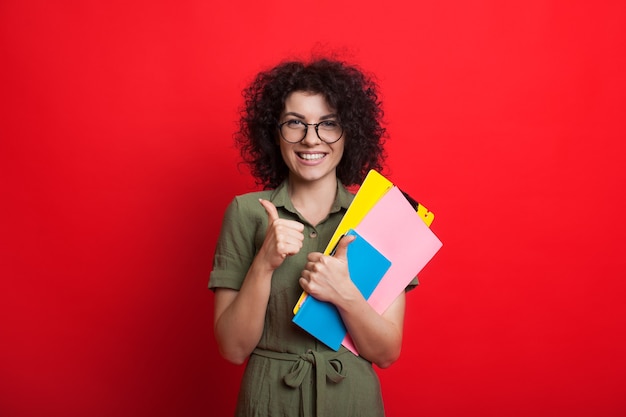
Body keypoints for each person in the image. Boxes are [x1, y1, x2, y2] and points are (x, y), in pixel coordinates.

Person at [209, 57, 413, 417]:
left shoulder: (382, 218)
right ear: (275, 132)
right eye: (294, 124)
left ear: (349, 131)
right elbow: (232, 349)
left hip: (353, 403)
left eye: (328, 124)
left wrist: (345, 294)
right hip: (268, 403)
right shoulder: (245, 213)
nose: (311, 139)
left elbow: (386, 353)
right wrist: (264, 263)